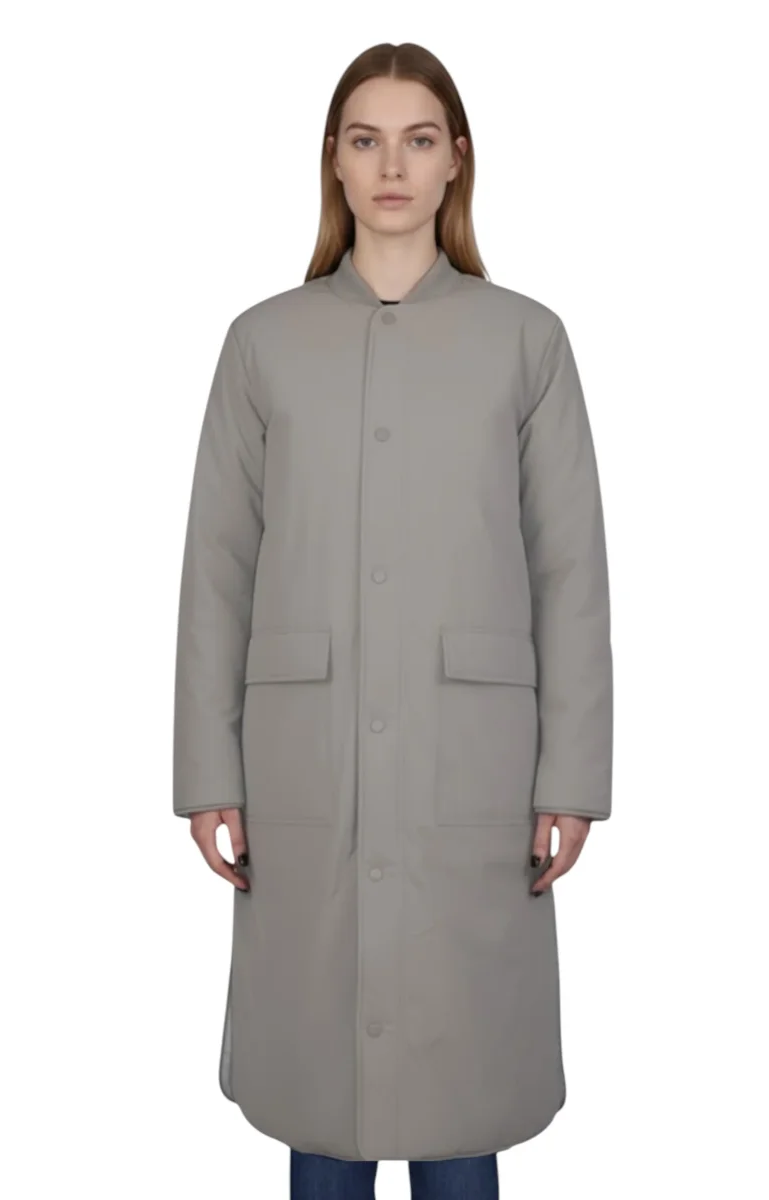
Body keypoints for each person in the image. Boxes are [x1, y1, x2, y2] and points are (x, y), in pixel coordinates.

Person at [172, 40, 613, 1200]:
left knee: (463, 1090)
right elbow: (217, 567)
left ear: (456, 159)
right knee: (318, 1091)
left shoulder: (525, 340)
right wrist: (207, 771)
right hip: (301, 763)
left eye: (418, 140)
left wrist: (571, 776)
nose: (391, 168)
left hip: (473, 764)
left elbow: (568, 569)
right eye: (365, 140)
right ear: (332, 159)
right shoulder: (263, 342)